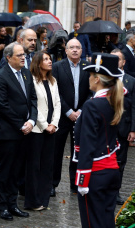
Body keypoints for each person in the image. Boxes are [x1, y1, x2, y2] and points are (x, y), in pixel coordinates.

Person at [73, 52, 124, 228]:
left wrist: (82, 180)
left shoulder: (93, 105)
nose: (88, 79)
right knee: (105, 227)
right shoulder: (114, 99)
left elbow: (87, 145)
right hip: (111, 170)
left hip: (94, 173)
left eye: (90, 74)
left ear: (96, 78)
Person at [0, 42, 37, 221]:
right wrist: (21, 124)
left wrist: (32, 120)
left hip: (25, 130)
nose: (23, 57)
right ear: (8, 57)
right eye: (19, 55)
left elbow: (32, 98)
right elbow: (2, 106)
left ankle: (12, 204)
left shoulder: (26, 73)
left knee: (18, 170)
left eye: (23, 54)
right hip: (9, 132)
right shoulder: (0, 76)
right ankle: (1, 206)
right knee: (6, 170)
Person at [51, 38, 91, 197]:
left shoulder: (87, 68)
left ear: (82, 50)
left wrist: (81, 110)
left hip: (81, 117)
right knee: (56, 152)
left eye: (78, 47)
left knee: (78, 151)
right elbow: (55, 92)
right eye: (71, 47)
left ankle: (76, 184)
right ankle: (52, 184)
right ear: (66, 50)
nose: (75, 50)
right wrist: (68, 111)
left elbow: (91, 91)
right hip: (61, 116)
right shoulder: (57, 67)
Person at [25, 51, 61, 211]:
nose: (50, 61)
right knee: (34, 166)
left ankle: (44, 198)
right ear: (38, 63)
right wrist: (44, 124)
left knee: (48, 165)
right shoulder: (32, 81)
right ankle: (33, 200)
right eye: (46, 59)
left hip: (51, 129)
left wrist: (54, 124)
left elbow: (58, 103)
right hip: (37, 130)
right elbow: (33, 106)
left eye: (50, 58)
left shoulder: (53, 81)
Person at [111, 49, 135, 204]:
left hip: (123, 128)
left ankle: (116, 192)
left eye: (117, 59)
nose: (115, 62)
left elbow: (134, 107)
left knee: (120, 162)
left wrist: (133, 129)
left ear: (123, 62)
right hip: (106, 127)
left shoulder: (131, 81)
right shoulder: (105, 78)